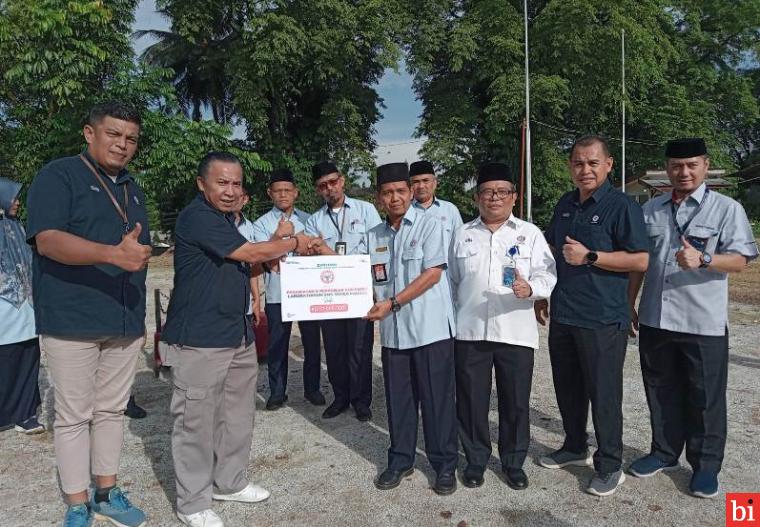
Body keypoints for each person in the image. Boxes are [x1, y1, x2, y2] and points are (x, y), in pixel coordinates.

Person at [160, 152, 319, 527]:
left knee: (236, 415)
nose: (230, 191)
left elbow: (248, 262)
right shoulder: (198, 217)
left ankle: (229, 482)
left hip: (238, 331)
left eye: (236, 184)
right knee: (195, 421)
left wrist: (271, 253)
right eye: (222, 182)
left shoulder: (228, 220)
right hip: (200, 338)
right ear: (202, 184)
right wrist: (292, 242)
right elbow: (247, 252)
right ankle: (192, 501)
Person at [26, 101, 152, 527]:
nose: (123, 144)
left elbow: (135, 253)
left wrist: (139, 318)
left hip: (122, 318)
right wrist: (112, 254)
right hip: (72, 318)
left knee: (112, 411)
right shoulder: (58, 175)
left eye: (131, 138)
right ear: (90, 133)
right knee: (74, 414)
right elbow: (48, 241)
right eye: (114, 134)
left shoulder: (132, 188)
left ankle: (106, 490)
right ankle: (77, 502)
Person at [627, 138, 758, 498]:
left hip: (703, 322)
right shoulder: (651, 210)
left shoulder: (726, 209)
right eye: (676, 166)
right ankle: (664, 452)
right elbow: (640, 262)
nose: (683, 172)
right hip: (656, 318)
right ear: (667, 168)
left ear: (704, 165)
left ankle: (705, 466)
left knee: (705, 397)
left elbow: (742, 259)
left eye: (691, 165)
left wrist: (704, 259)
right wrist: (629, 302)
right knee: (660, 390)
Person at [535, 135, 649, 497]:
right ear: (570, 166)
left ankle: (610, 464)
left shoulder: (622, 206)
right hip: (565, 313)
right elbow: (553, 249)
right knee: (567, 387)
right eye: (578, 163)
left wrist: (591, 256)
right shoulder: (565, 203)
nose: (585, 169)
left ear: (609, 164)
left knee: (603, 393)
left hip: (602, 317)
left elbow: (641, 260)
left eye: (592, 162)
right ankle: (573, 446)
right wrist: (542, 293)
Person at [449, 163, 556, 491]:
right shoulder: (463, 234)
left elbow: (548, 273)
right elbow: (452, 282)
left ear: (514, 196)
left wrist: (533, 290)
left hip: (515, 331)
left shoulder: (529, 233)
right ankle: (476, 460)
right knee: (471, 401)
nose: (494, 198)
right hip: (470, 333)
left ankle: (513, 462)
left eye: (501, 191)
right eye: (486, 192)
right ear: (477, 197)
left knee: (515, 401)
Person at [366, 162, 458, 495]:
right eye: (387, 193)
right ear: (379, 198)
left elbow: (432, 274)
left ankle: (445, 465)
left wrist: (392, 303)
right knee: (399, 400)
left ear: (410, 191)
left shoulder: (431, 224)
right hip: (394, 333)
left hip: (430, 329)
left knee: (437, 401)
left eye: (400, 191)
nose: (395, 198)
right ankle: (400, 460)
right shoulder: (373, 235)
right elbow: (361, 277)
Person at [305, 161, 382, 421]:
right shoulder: (315, 220)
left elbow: (375, 250)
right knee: (335, 348)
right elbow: (309, 259)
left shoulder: (366, 210)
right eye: (322, 185)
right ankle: (340, 397)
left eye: (333, 181)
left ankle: (361, 401)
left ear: (343, 180)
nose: (329, 188)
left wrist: (327, 251)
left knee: (360, 348)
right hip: (330, 294)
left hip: (360, 292)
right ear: (318, 190)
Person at [252, 169, 325, 410]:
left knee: (312, 343)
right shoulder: (262, 224)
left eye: (287, 190)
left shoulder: (309, 220)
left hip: (307, 293)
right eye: (277, 191)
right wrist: (278, 237)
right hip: (278, 294)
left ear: (296, 193)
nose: (283, 195)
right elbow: (266, 260)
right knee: (278, 344)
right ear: (269, 193)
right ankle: (277, 391)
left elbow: (314, 253)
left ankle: (312, 388)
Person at [0, 178, 43, 435]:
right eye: (12, 198)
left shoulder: (16, 227)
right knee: (7, 359)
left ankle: (25, 413)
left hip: (26, 305)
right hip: (4, 307)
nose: (17, 203)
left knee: (28, 354)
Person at [409, 160, 463, 248]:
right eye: (416, 182)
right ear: (410, 185)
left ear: (434, 183)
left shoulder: (450, 210)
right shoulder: (405, 212)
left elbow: (460, 243)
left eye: (425, 180)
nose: (421, 186)